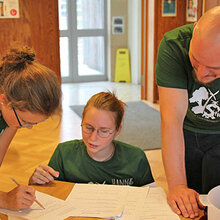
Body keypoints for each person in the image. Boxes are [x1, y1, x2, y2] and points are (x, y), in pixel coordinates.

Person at [155, 6, 220, 219]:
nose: (201, 74)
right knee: (190, 206)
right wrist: (177, 186)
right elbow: (172, 119)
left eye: (214, 68)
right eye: (195, 60)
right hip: (186, 132)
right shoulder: (173, 45)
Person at [29, 91, 154, 187]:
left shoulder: (136, 159)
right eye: (88, 128)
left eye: (104, 131)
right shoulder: (64, 153)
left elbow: (150, 200)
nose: (93, 138)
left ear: (117, 131)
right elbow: (48, 196)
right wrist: (36, 181)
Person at [0, 45, 61, 210]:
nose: (29, 128)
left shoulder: (12, 115)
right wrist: (4, 199)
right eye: (26, 121)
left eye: (35, 123)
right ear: (4, 100)